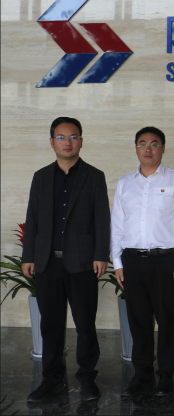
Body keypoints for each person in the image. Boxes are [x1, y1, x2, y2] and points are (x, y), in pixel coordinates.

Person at [22, 117, 110, 403]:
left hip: (82, 263)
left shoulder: (94, 176)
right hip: (47, 263)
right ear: (52, 142)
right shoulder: (40, 177)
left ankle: (87, 378)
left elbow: (102, 219)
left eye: (73, 137)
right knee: (51, 324)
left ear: (81, 141)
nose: (67, 142)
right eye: (61, 137)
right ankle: (51, 379)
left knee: (85, 324)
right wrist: (29, 256)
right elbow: (33, 218)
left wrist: (101, 255)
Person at [111, 126, 174, 398]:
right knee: (138, 320)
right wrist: (117, 263)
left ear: (163, 148)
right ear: (136, 148)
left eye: (154, 144)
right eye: (142, 143)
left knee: (166, 319)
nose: (148, 149)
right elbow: (117, 225)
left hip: (164, 260)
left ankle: (166, 374)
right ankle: (142, 374)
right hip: (132, 261)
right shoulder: (125, 183)